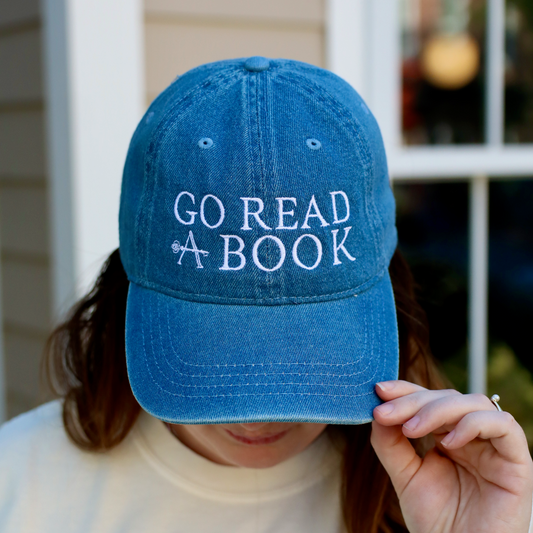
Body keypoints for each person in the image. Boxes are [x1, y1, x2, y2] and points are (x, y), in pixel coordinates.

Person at [0, 57, 532, 533]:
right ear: (125, 289)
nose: (257, 417)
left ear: (386, 293)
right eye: (214, 352)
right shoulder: (20, 483)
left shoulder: (447, 492)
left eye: (307, 354)